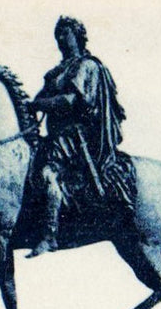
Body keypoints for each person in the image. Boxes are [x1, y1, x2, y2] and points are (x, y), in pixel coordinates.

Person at [26, 16, 135, 257]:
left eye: (65, 33)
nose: (60, 39)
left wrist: (38, 104)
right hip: (55, 136)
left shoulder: (86, 66)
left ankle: (50, 236)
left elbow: (72, 100)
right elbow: (39, 98)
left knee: (48, 175)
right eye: (58, 35)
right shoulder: (57, 71)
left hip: (77, 138)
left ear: (78, 36)